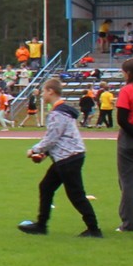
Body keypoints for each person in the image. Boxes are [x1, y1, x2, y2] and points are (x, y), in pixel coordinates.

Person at [20, 77, 102, 238]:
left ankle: (94, 229)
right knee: (46, 186)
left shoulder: (57, 113)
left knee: (76, 194)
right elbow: (59, 138)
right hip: (68, 157)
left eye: (44, 91)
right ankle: (41, 225)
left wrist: (34, 150)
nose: (42, 94)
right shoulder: (63, 111)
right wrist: (44, 154)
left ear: (51, 91)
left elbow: (52, 138)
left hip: (68, 158)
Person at [113, 55, 133, 233]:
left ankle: (128, 224)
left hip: (130, 138)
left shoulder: (127, 90)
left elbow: (122, 120)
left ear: (128, 73)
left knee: (128, 182)